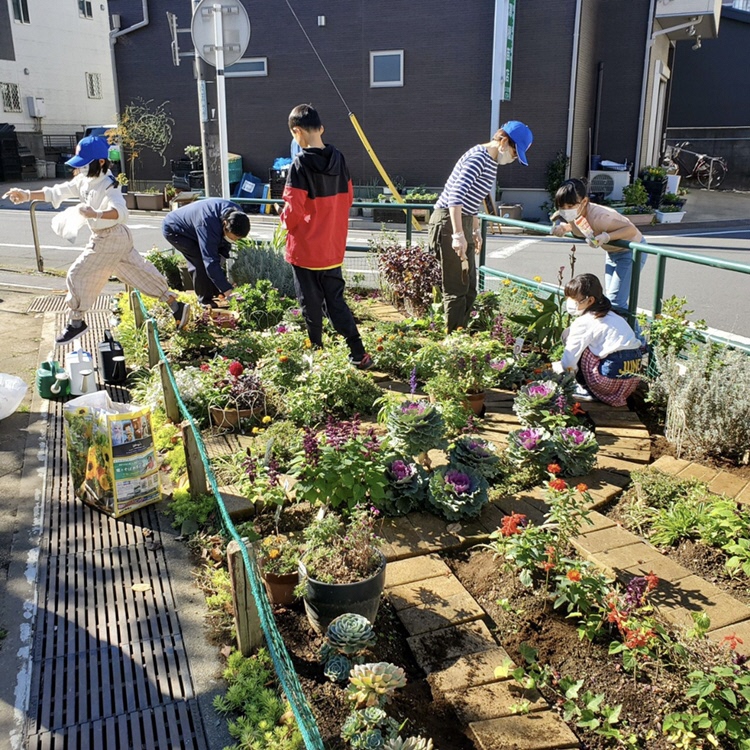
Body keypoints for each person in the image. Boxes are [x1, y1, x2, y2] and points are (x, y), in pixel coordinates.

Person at [2, 136, 190, 344]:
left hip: (110, 237)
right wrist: (27, 194)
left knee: (77, 274)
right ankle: (175, 305)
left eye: (85, 163)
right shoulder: (84, 180)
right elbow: (58, 191)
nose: (81, 168)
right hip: (113, 237)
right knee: (138, 272)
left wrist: (95, 214)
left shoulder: (109, 185)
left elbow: (120, 212)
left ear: (101, 162)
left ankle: (76, 322)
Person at [280, 103, 372, 369]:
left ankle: (317, 357)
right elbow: (348, 198)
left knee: (310, 306)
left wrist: (283, 217)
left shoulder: (299, 165)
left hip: (305, 249)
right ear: (321, 128)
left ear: (297, 132)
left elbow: (293, 209)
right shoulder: (339, 158)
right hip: (332, 247)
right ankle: (358, 352)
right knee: (336, 302)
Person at [428, 120, 534, 333]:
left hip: (463, 220)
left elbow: (473, 199)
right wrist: (458, 234)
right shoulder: (478, 157)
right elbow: (456, 197)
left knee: (469, 287)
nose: (513, 159)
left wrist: (475, 230)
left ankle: (461, 332)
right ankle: (453, 342)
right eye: (515, 153)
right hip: (449, 222)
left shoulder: (492, 162)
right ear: (503, 140)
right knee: (457, 287)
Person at [551, 178, 646, 312]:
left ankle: (636, 333)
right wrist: (564, 228)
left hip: (630, 252)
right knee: (610, 300)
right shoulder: (576, 213)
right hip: (611, 253)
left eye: (570, 206)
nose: (566, 210)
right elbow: (578, 227)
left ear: (584, 201)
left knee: (616, 301)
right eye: (561, 207)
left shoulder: (602, 217)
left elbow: (631, 229)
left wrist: (606, 237)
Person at [553, 273, 643, 406]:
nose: (570, 303)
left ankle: (586, 389)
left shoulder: (585, 321)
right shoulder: (613, 316)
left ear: (590, 301)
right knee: (593, 344)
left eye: (574, 299)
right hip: (630, 381)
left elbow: (570, 356)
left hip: (607, 382)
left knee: (571, 338)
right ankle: (605, 392)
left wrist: (566, 377)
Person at [162, 198, 250, 307]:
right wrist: (228, 290)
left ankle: (217, 291)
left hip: (196, 226)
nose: (235, 241)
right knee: (199, 261)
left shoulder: (238, 216)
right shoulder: (208, 224)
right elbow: (210, 260)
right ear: (225, 224)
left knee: (214, 260)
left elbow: (223, 247)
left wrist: (222, 259)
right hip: (176, 230)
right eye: (234, 238)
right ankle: (204, 300)